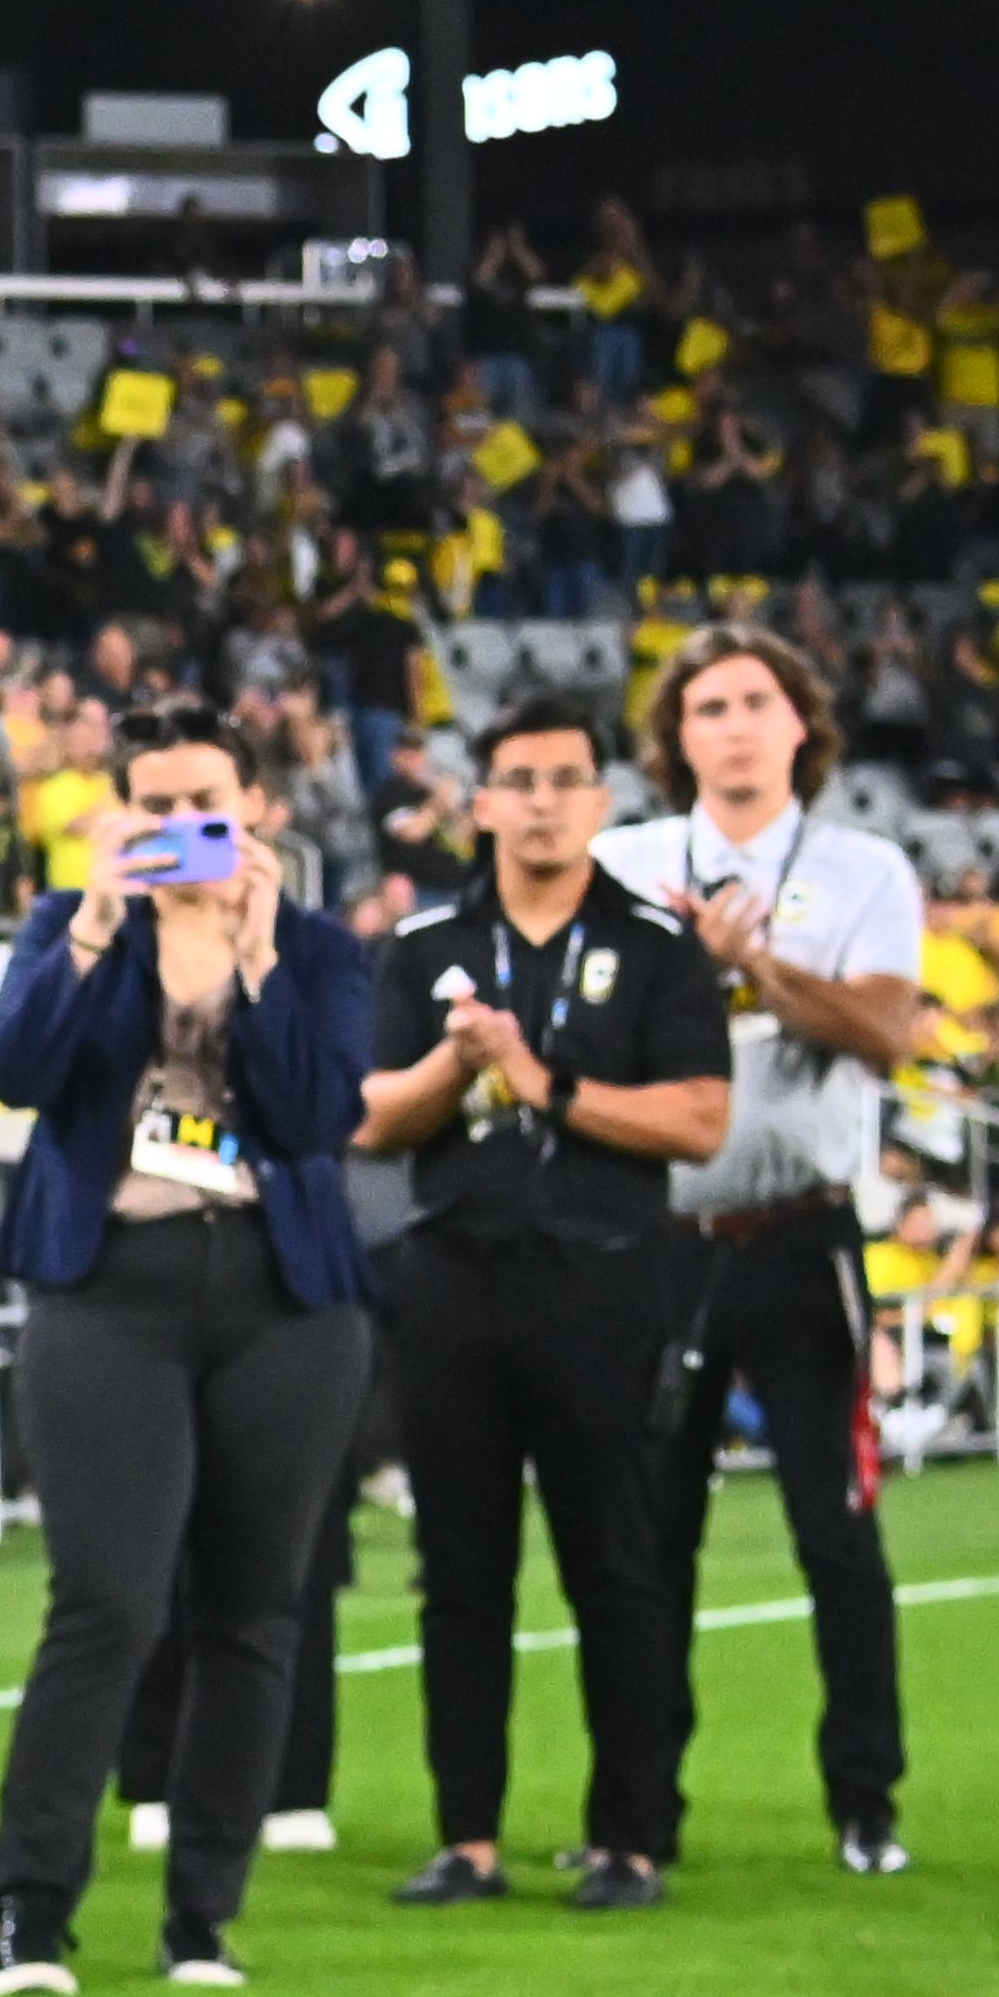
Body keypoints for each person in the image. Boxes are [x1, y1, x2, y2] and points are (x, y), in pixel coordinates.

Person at [0, 701, 375, 1993]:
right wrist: (87, 926)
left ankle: (202, 1915)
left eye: (204, 801)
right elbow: (12, 1071)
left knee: (254, 1609)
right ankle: (30, 1909)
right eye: (152, 803)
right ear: (118, 813)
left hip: (283, 1296)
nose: (179, 826)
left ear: (254, 810)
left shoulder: (316, 947)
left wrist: (254, 963)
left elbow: (318, 1115)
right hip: (109, 1289)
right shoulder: (69, 925)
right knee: (107, 1602)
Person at [354, 694, 729, 1910]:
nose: (542, 801)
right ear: (478, 803)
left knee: (612, 1563)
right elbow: (367, 1118)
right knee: (457, 1571)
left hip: (604, 1281)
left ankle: (627, 1837)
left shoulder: (661, 949)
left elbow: (698, 1120)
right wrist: (453, 1070)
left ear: (603, 801)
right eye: (518, 780)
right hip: (453, 1279)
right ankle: (467, 1838)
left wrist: (542, 1083)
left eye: (567, 779)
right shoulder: (420, 948)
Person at [592, 625, 930, 1876]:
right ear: (674, 739)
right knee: (645, 1537)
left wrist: (755, 967)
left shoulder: (862, 869)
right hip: (655, 1236)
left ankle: (864, 1800)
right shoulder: (617, 862)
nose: (731, 725)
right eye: (706, 707)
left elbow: (887, 1031)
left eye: (755, 701)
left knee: (834, 1528)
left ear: (802, 725)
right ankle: (638, 1813)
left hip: (800, 1234)